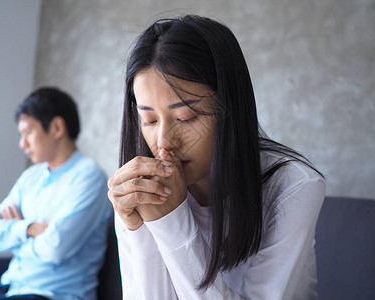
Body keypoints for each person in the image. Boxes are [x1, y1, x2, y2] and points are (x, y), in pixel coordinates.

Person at [107, 15, 326, 299]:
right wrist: (139, 228)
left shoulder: (293, 187)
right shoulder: (137, 187)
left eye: (185, 117)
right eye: (149, 120)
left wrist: (172, 220)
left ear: (230, 110)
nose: (163, 142)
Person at [0, 87, 112, 299]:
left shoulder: (89, 177)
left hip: (51, 295)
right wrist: (29, 228)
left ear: (56, 127)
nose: (22, 143)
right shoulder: (31, 177)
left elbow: (55, 248)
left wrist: (13, 234)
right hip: (10, 287)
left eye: (27, 132)